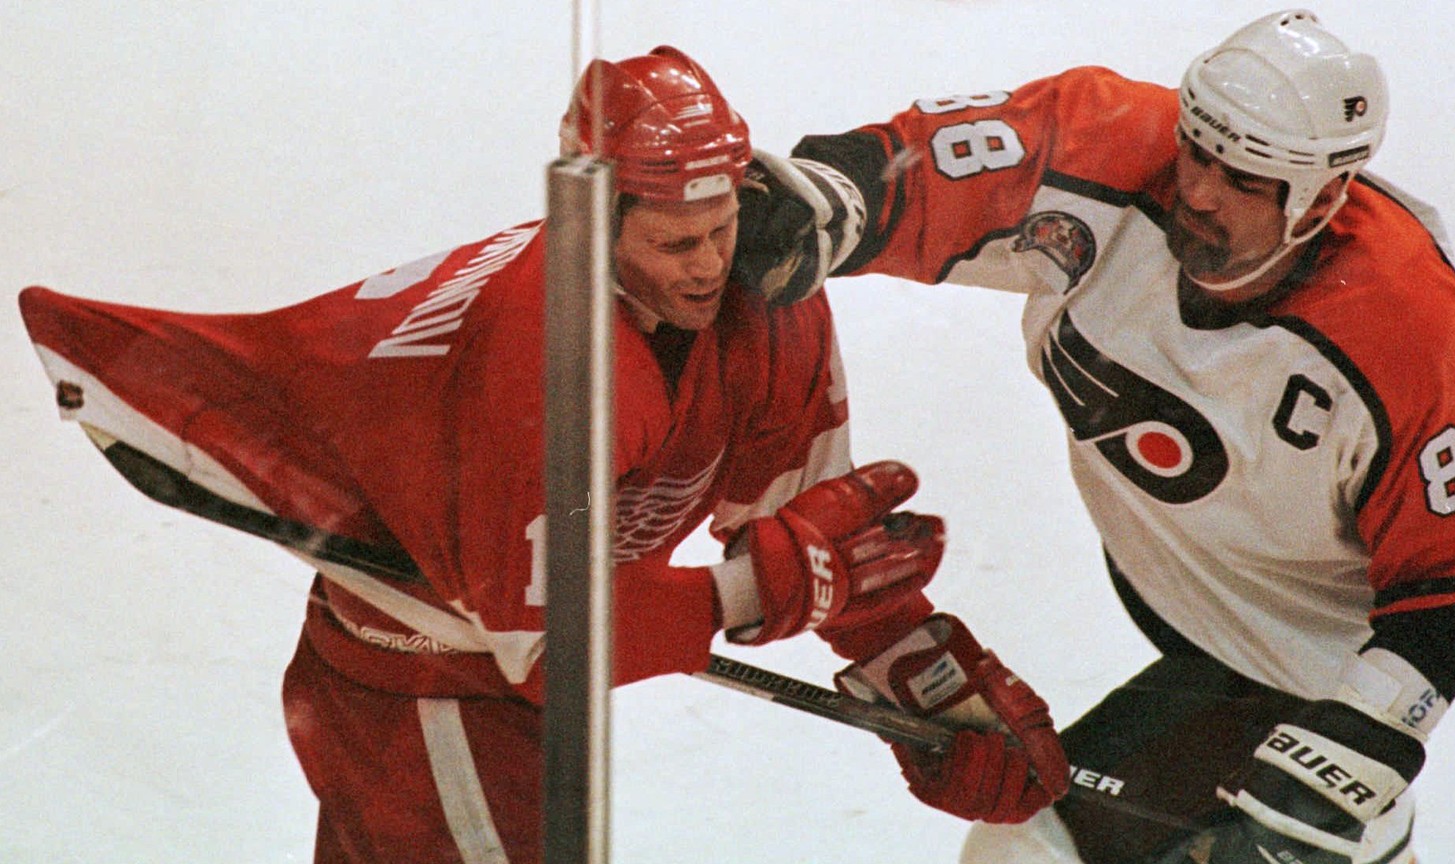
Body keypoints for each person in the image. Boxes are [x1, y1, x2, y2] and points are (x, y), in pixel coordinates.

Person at [18, 46, 1069, 862]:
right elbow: (542, 647)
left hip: (512, 650)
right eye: (672, 243)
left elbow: (812, 511)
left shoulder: (765, 280)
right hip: (422, 681)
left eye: (719, 229)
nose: (710, 266)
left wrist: (927, 682)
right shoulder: (549, 358)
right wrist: (742, 598)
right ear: (596, 224)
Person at [731, 10, 1455, 864]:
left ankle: (1376, 843)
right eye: (1197, 153)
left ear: (1323, 198)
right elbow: (914, 174)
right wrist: (819, 200)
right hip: (1191, 629)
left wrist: (1353, 757)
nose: (1201, 193)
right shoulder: (1105, 144)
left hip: (1310, 677)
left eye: (1246, 180)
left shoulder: (1409, 334)